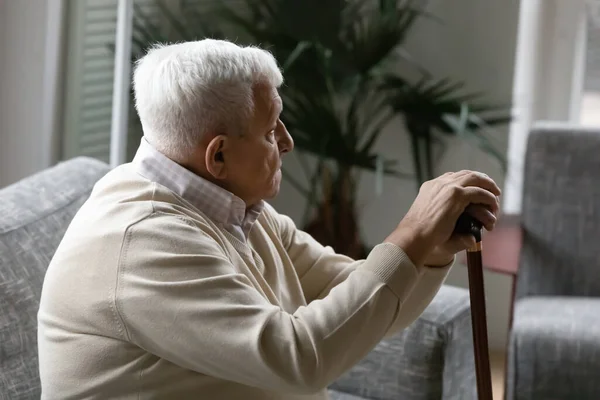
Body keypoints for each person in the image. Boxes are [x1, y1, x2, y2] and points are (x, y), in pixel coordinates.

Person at [37, 39, 501, 400]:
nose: (288, 141)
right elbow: (299, 357)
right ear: (217, 154)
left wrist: (431, 251)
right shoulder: (144, 242)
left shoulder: (233, 208)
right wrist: (411, 233)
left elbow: (363, 300)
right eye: (270, 129)